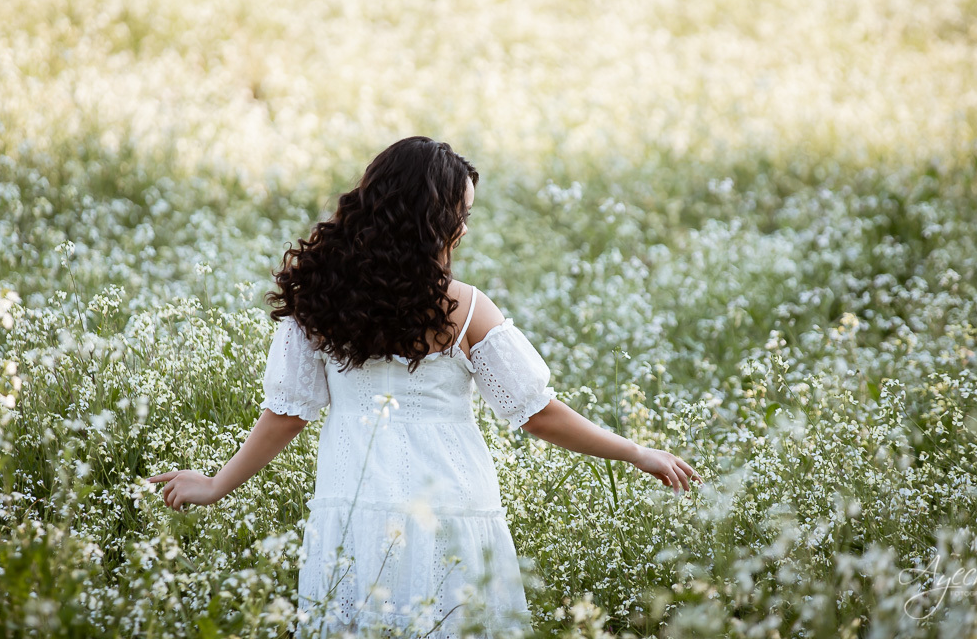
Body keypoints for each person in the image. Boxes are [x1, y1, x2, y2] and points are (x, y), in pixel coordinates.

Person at [149, 136, 702, 638]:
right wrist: (635, 452)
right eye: (460, 213)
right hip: (451, 511)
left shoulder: (321, 299)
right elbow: (537, 414)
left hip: (354, 511)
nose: (464, 227)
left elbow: (286, 415)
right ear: (432, 220)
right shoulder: (464, 308)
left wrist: (217, 484)